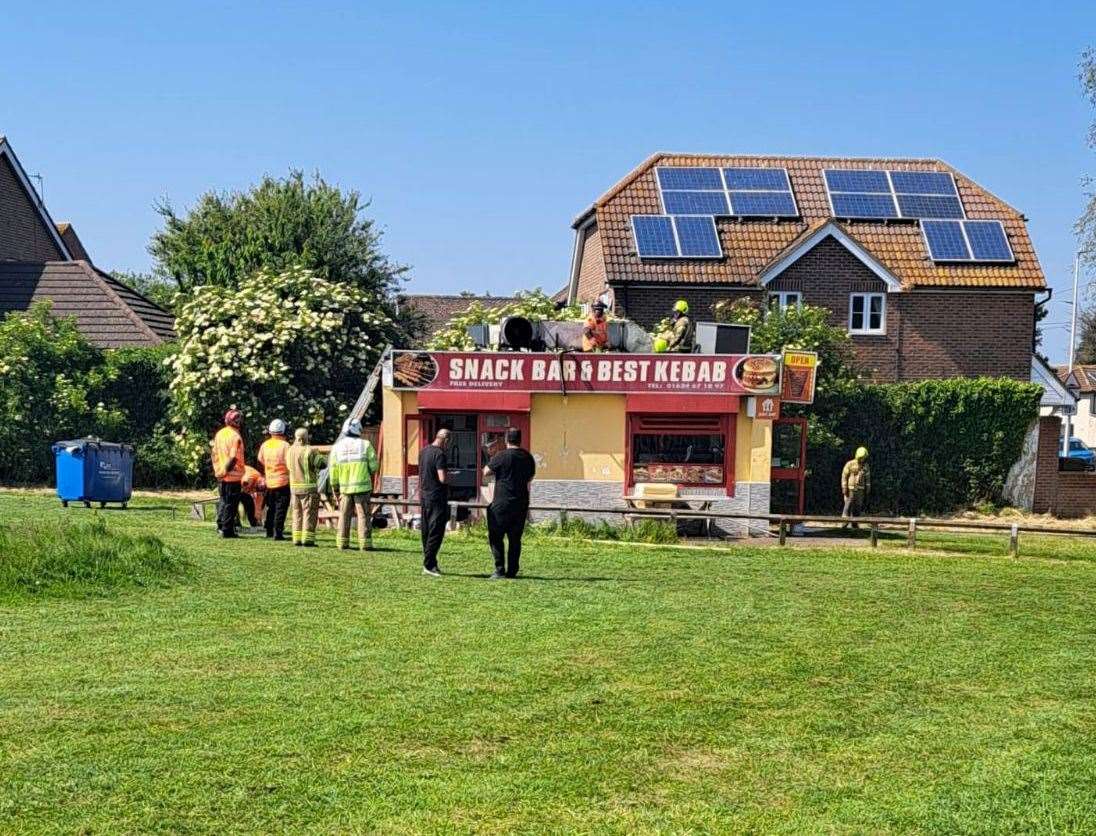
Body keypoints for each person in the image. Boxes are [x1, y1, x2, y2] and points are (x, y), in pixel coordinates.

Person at [482, 427, 536, 580]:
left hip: (502, 502)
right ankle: (512, 571)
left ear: (506, 440)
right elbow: (530, 478)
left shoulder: (501, 456)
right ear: (520, 440)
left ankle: (499, 570)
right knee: (515, 538)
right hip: (521, 503)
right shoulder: (528, 457)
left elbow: (486, 471)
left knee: (496, 535)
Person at [328, 418, 379, 551]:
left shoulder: (337, 447)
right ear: (359, 430)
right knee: (363, 516)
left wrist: (335, 486)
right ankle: (365, 544)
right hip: (362, 488)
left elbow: (333, 469)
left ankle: (342, 543)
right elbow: (374, 466)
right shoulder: (365, 444)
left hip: (345, 489)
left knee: (344, 515)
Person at [287, 427, 328, 547]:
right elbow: (322, 464)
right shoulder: (310, 451)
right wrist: (319, 455)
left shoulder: (290, 451)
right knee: (309, 514)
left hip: (294, 488)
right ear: (306, 437)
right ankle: (308, 540)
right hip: (308, 489)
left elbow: (289, 467)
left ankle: (296, 539)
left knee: (296, 513)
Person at [418, 428, 451, 577]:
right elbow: (442, 478)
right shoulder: (440, 454)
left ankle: (431, 563)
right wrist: (452, 477)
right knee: (436, 531)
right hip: (437, 497)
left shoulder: (424, 451)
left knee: (426, 530)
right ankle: (429, 564)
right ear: (445, 440)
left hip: (424, 495)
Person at [211, 409, 246, 538]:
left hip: (221, 473)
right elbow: (233, 458)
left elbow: (214, 454)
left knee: (223, 501)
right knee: (231, 503)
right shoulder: (235, 437)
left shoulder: (220, 434)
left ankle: (220, 525)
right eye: (239, 419)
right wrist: (226, 471)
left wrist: (219, 471)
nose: (240, 422)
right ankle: (227, 530)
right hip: (232, 474)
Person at [257, 419, 291, 540]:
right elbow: (290, 463)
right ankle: (278, 532)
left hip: (269, 482)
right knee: (281, 508)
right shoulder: (286, 446)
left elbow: (260, 460)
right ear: (283, 431)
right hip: (283, 482)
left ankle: (269, 530)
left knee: (270, 508)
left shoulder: (265, 445)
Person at [841, 446, 871, 529]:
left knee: (858, 506)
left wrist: (868, 488)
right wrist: (844, 487)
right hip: (850, 489)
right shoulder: (850, 464)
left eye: (864, 457)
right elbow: (844, 476)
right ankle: (844, 523)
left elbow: (867, 478)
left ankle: (855, 523)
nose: (862, 459)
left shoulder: (866, 466)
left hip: (861, 490)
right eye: (861, 457)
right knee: (848, 505)